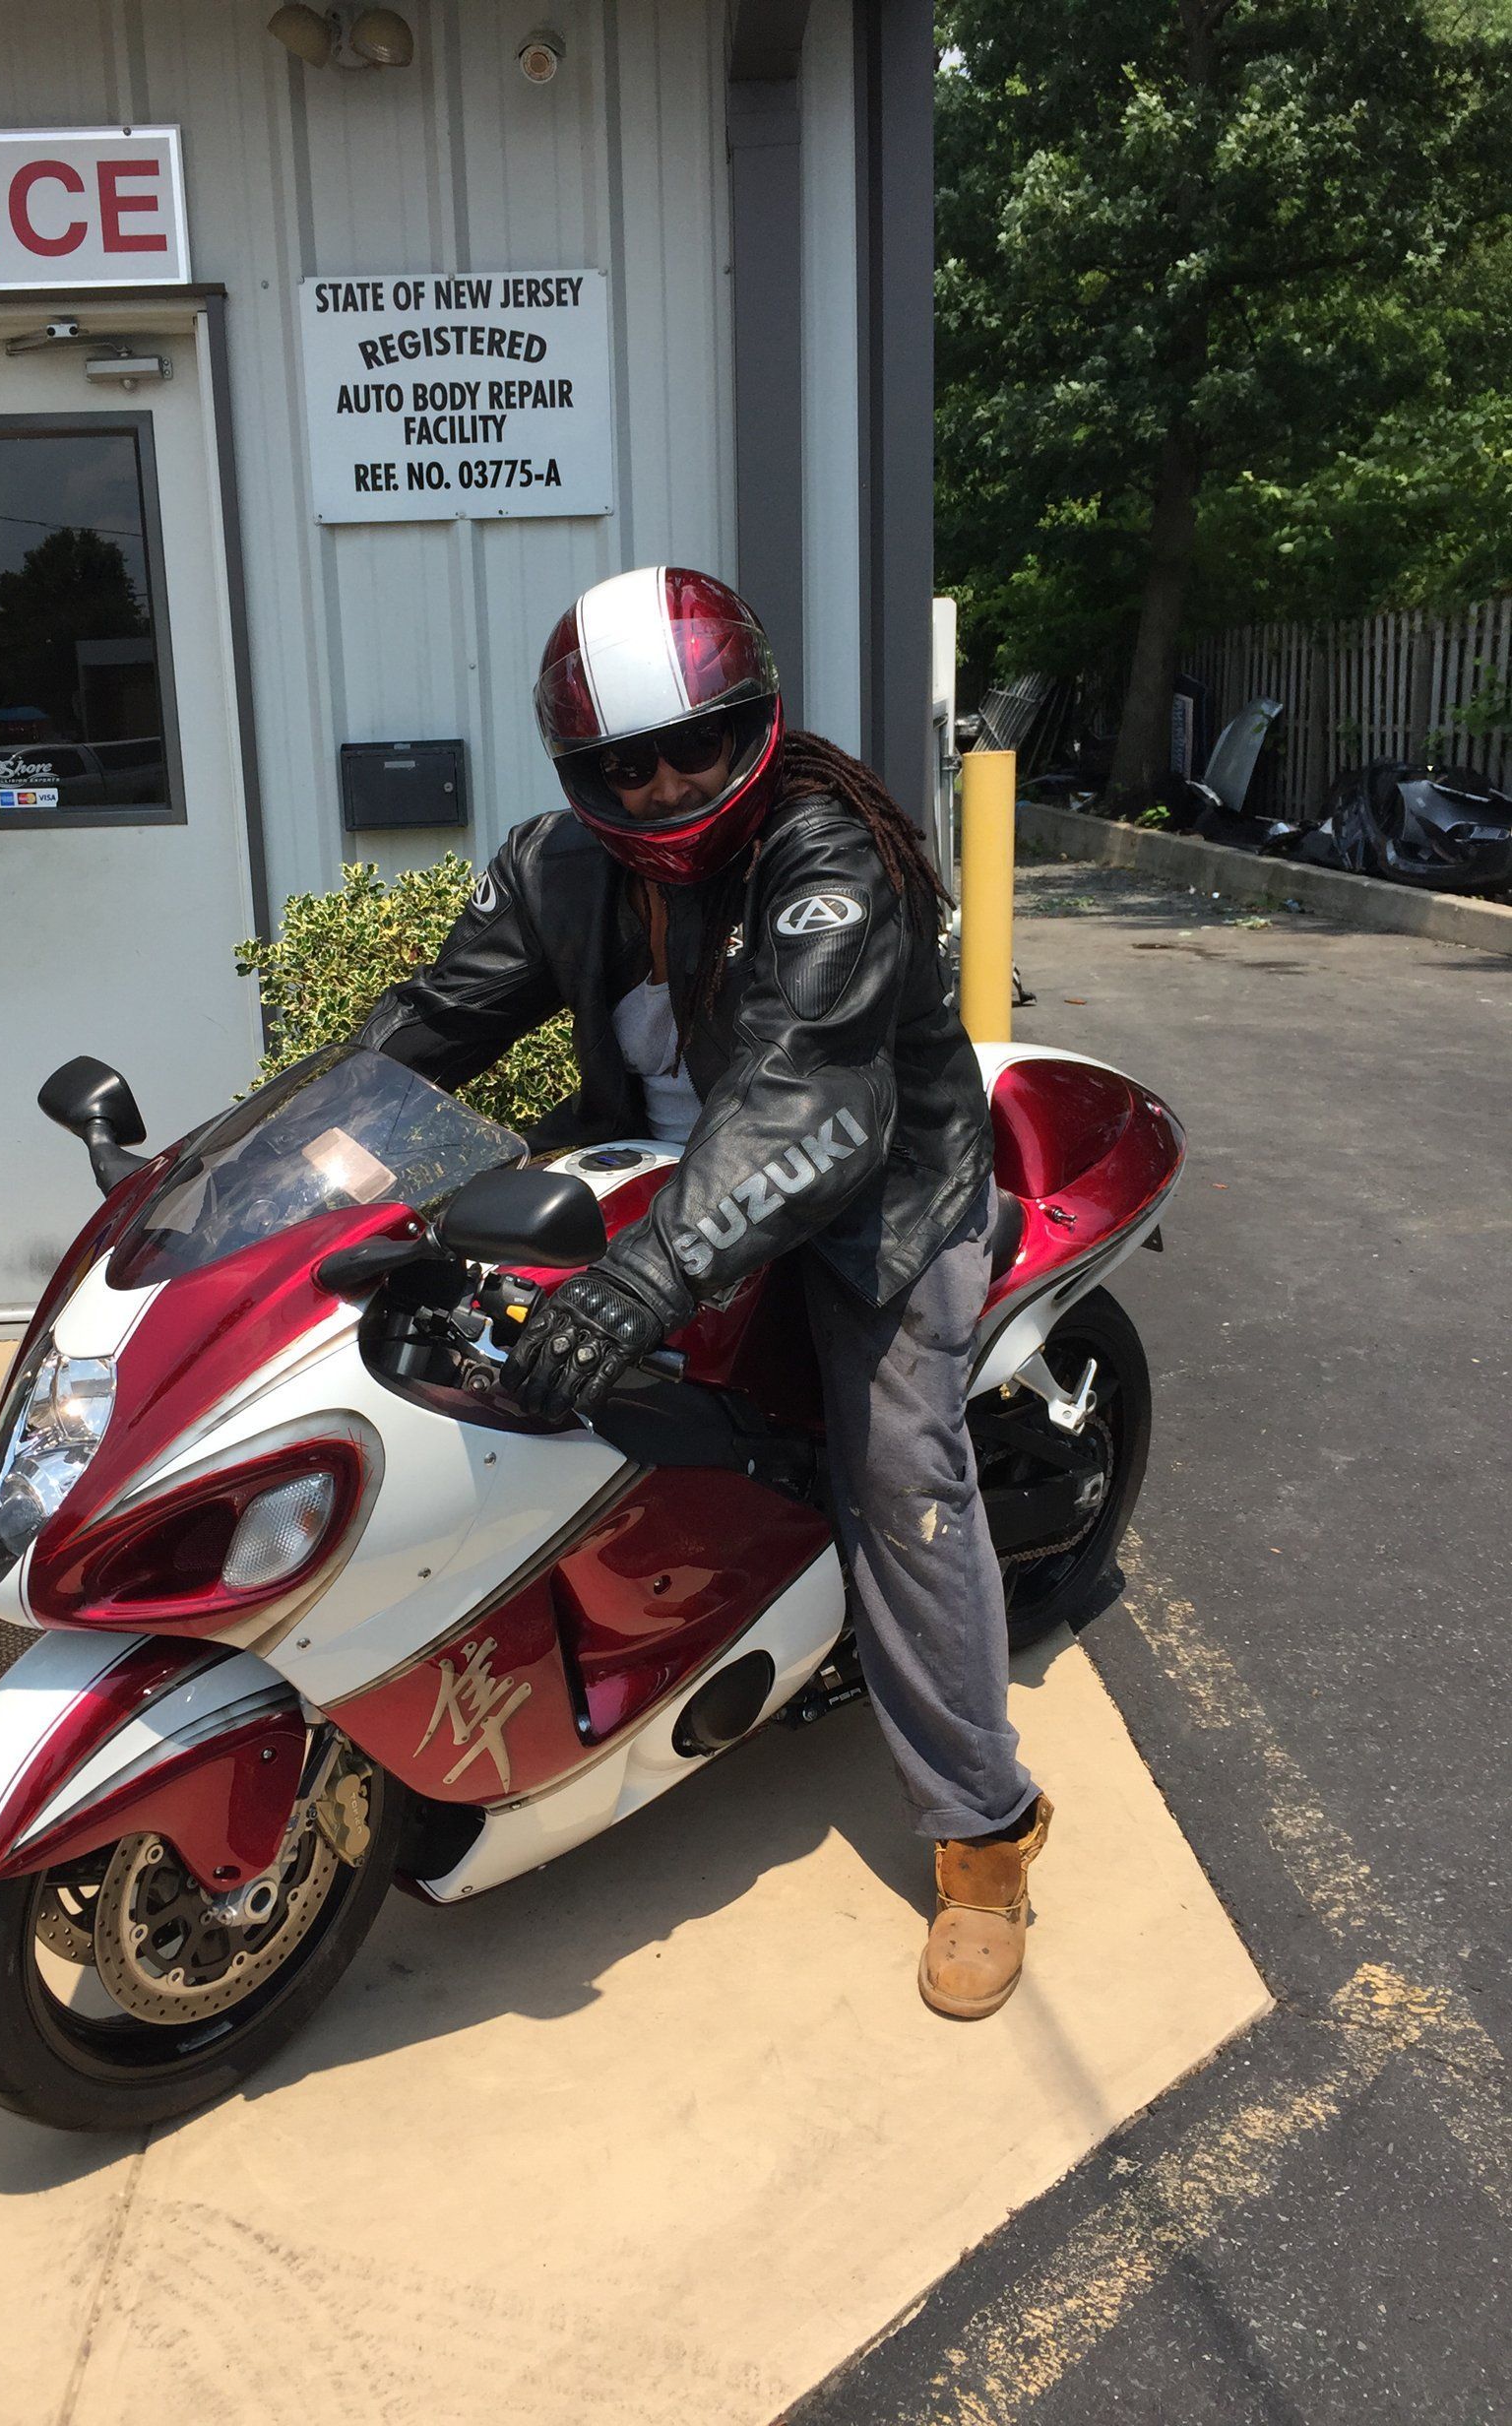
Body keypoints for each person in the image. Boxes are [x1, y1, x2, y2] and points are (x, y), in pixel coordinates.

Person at [355, 565, 1051, 2018]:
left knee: (898, 1471)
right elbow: (431, 1027)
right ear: (583, 771)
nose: (663, 778)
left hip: (871, 1206)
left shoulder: (828, 860)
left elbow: (806, 1112)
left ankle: (987, 1829)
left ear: (756, 720)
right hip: (656, 1193)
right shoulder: (561, 865)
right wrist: (291, 1147)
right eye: (626, 758)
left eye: (694, 741)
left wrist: (634, 1289)